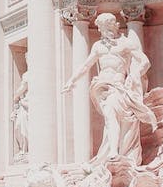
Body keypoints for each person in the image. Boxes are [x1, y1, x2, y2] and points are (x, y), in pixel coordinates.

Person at [64, 12, 157, 164]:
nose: (102, 31)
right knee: (109, 115)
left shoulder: (125, 43)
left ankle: (114, 151)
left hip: (118, 84)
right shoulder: (98, 46)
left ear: (114, 26)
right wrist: (72, 80)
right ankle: (112, 150)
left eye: (106, 27)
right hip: (101, 86)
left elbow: (145, 62)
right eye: (101, 27)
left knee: (112, 114)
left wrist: (134, 75)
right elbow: (86, 65)